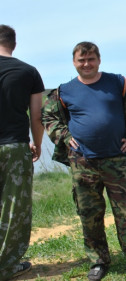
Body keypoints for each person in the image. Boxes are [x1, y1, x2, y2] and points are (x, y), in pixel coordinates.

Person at [41, 41, 126, 281]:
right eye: (81, 60)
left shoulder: (118, 83)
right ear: (74, 62)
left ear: (99, 60)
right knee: (90, 214)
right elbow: (48, 115)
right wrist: (65, 137)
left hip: (117, 161)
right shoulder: (64, 90)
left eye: (91, 59)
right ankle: (98, 262)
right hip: (83, 162)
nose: (86, 64)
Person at [0, 24, 44, 280]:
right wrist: (37, 144)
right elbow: (36, 116)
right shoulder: (28, 71)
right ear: (14, 44)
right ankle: (6, 266)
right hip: (14, 147)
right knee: (14, 207)